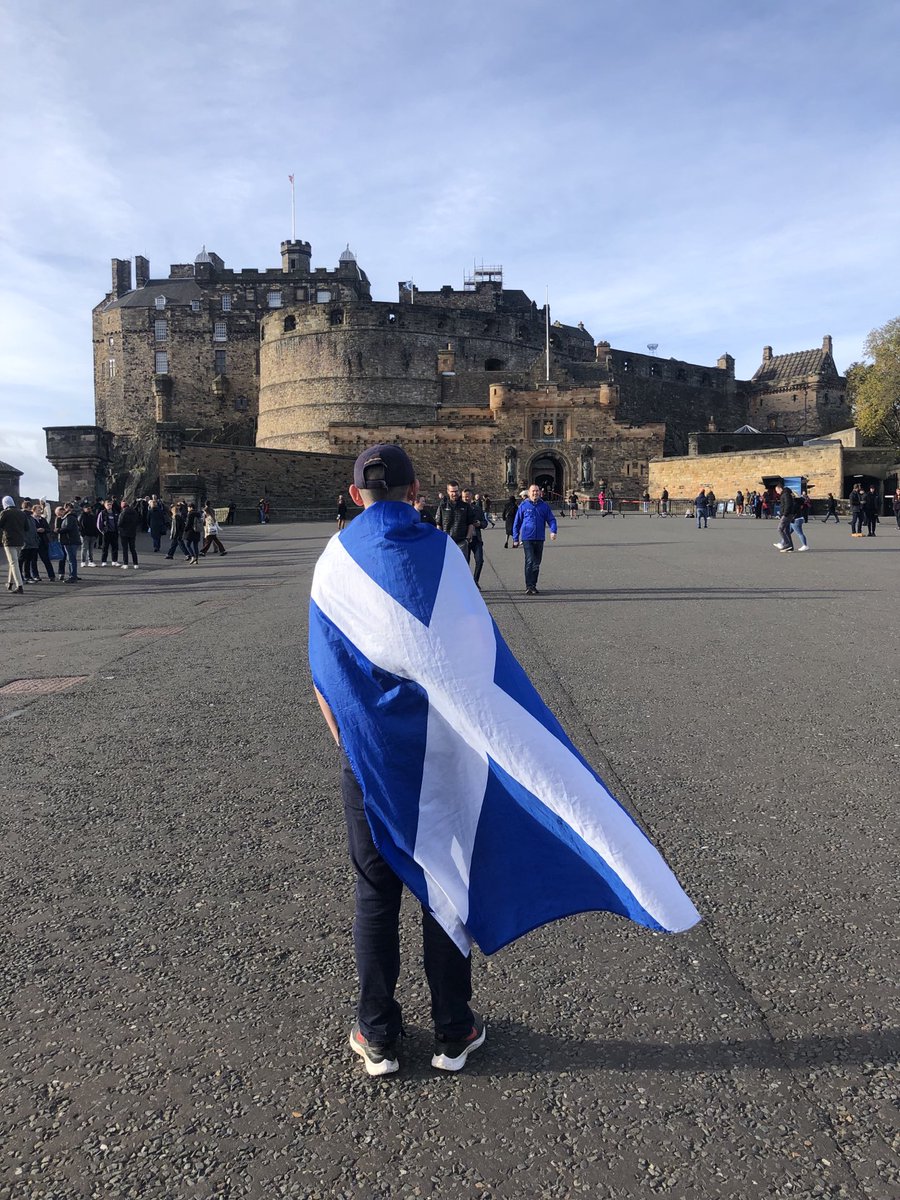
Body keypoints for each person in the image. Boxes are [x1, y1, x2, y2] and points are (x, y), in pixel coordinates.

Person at [308, 444, 699, 1077]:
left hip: (370, 762)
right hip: (446, 759)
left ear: (357, 497)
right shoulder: (440, 554)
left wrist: (353, 751)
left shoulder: (332, 566)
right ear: (416, 490)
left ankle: (377, 1036)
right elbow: (475, 665)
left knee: (375, 895)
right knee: (448, 882)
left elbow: (326, 679)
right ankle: (453, 1029)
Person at [511, 483, 558, 595]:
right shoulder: (523, 506)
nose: (535, 493)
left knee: (537, 563)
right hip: (527, 538)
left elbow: (551, 519)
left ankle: (533, 585)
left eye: (537, 491)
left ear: (540, 492)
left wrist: (553, 530)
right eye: (533, 491)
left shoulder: (544, 506)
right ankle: (529, 585)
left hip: (540, 538)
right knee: (530, 560)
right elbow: (517, 523)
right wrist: (515, 538)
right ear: (529, 493)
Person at [436, 480, 475, 562]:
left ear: (459, 491)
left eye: (456, 491)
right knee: (448, 567)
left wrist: (467, 539)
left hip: (461, 542)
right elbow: (439, 524)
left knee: (462, 568)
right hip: (447, 542)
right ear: (448, 492)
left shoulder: (466, 506)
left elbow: (470, 523)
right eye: (452, 491)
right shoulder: (442, 507)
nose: (454, 494)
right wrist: (440, 539)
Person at [462, 488, 487, 588]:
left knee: (480, 561)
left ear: (471, 496)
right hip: (464, 540)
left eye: (467, 496)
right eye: (464, 497)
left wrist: (480, 523)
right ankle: (466, 583)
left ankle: (475, 581)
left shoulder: (477, 509)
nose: (465, 498)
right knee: (465, 563)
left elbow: (485, 523)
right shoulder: (460, 509)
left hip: (476, 539)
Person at [1, 497, 26, 593]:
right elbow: (26, 527)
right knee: (14, 562)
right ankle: (10, 583)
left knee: (13, 563)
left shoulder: (5, 513)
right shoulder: (22, 513)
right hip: (20, 541)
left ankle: (19, 585)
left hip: (9, 540)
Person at [57, 503, 82, 581]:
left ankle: (72, 576)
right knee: (72, 558)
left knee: (71, 559)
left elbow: (68, 528)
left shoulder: (69, 517)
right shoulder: (72, 517)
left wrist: (58, 530)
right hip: (72, 540)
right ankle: (73, 574)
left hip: (70, 540)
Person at [19, 503, 40, 582]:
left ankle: (27, 576)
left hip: (32, 542)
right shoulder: (22, 516)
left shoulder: (30, 518)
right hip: (25, 542)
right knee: (21, 560)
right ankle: (20, 576)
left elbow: (33, 530)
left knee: (28, 560)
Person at [118, 499, 140, 569]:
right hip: (132, 532)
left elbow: (120, 523)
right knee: (133, 549)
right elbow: (138, 521)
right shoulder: (134, 512)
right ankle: (135, 564)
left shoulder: (123, 513)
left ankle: (125, 563)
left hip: (124, 532)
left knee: (125, 549)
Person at [773, 485, 797, 553]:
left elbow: (788, 504)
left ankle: (787, 544)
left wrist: (784, 514)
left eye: (777, 491)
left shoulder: (786, 494)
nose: (777, 492)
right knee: (786, 530)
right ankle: (790, 547)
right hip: (788, 514)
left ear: (780, 489)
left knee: (780, 529)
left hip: (787, 514)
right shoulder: (786, 494)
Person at [97, 499, 120, 566]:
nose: (109, 506)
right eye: (108, 504)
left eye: (110, 504)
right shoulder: (102, 513)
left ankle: (114, 561)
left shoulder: (115, 512)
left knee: (115, 547)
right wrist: (102, 531)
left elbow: (118, 522)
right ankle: (104, 561)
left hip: (114, 532)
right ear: (105, 505)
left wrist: (118, 530)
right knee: (105, 548)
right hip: (106, 532)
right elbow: (99, 524)